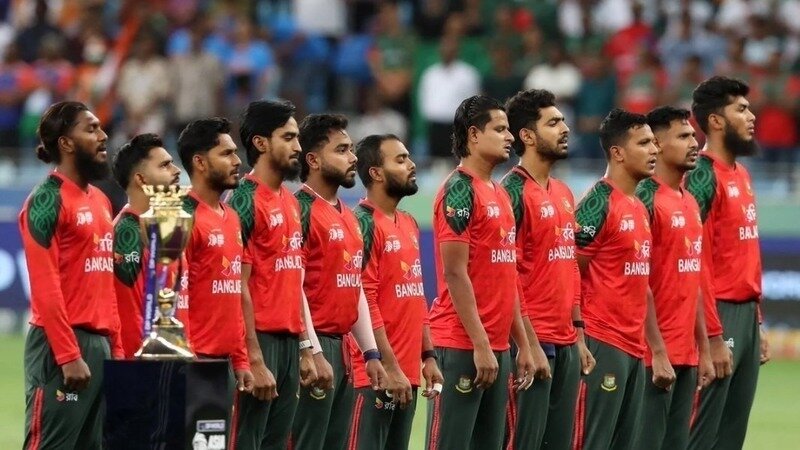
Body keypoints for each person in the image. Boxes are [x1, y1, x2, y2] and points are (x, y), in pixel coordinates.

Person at [426, 95, 538, 450]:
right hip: (462, 344)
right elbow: (455, 273)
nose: (510, 137)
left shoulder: (500, 194)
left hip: (497, 347)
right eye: (500, 129)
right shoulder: (459, 189)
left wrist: (523, 345)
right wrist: (480, 344)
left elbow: (508, 277)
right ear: (474, 135)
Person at [20, 101, 122, 449]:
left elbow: (106, 285)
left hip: (99, 345)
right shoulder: (46, 199)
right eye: (91, 129)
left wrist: (116, 350)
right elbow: (44, 287)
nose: (103, 135)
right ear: (65, 142)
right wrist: (68, 355)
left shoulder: (101, 200)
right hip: (61, 346)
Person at [501, 89, 596, 450]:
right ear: (527, 136)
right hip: (531, 340)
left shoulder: (564, 193)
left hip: (566, 340)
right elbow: (505, 274)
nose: (565, 128)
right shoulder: (512, 192)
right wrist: (526, 343)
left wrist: (578, 333)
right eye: (553, 122)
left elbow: (570, 266)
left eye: (564, 121)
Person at [226, 100, 319, 450]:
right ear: (261, 143)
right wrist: (252, 356)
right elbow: (236, 284)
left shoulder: (291, 203)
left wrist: (305, 348)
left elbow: (293, 282)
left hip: (288, 344)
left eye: (298, 138)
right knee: (244, 441)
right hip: (258, 341)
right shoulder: (243, 200)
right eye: (288, 138)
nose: (298, 147)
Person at [291, 114, 387, 450]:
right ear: (313, 160)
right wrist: (311, 350)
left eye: (351, 149)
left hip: (343, 347)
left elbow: (353, 284)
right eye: (342, 150)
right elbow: (292, 286)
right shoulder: (299, 210)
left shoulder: (348, 215)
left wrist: (370, 352)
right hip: (313, 345)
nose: (353, 157)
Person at [686, 76, 769, 450]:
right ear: (716, 121)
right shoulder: (702, 176)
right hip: (717, 313)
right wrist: (712, 337)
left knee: (732, 434)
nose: (752, 117)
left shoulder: (742, 174)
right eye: (741, 109)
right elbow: (694, 260)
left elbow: (745, 257)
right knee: (702, 432)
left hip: (746, 315)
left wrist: (758, 323)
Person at [347, 134, 444, 450]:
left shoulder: (409, 222)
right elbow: (364, 298)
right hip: (374, 375)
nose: (411, 165)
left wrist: (428, 355)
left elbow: (416, 295)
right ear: (375, 172)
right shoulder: (362, 223)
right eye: (400, 160)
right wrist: (389, 366)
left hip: (407, 374)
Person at [572, 108, 658, 450]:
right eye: (644, 143)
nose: (654, 149)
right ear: (618, 153)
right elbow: (570, 270)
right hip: (602, 341)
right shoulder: (597, 202)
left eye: (654, 142)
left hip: (634, 345)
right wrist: (578, 336)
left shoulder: (637, 204)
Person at [635, 106, 715, 449]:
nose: (694, 142)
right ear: (656, 144)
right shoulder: (644, 198)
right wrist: (656, 351)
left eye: (693, 135)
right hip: (649, 356)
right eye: (683, 136)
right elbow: (636, 283)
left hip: (686, 353)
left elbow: (692, 281)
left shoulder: (690, 202)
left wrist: (704, 350)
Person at [176, 118, 254, 444]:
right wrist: (187, 360)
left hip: (223, 365)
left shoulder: (231, 216)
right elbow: (172, 295)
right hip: (194, 364)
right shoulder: (180, 216)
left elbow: (233, 294)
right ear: (199, 162)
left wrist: (241, 359)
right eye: (226, 153)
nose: (237, 161)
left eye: (235, 152)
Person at [110, 133, 182, 358]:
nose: (176, 171)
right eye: (164, 165)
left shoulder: (164, 230)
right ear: (141, 179)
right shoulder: (127, 233)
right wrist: (143, 368)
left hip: (167, 359)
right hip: (142, 365)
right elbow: (129, 316)